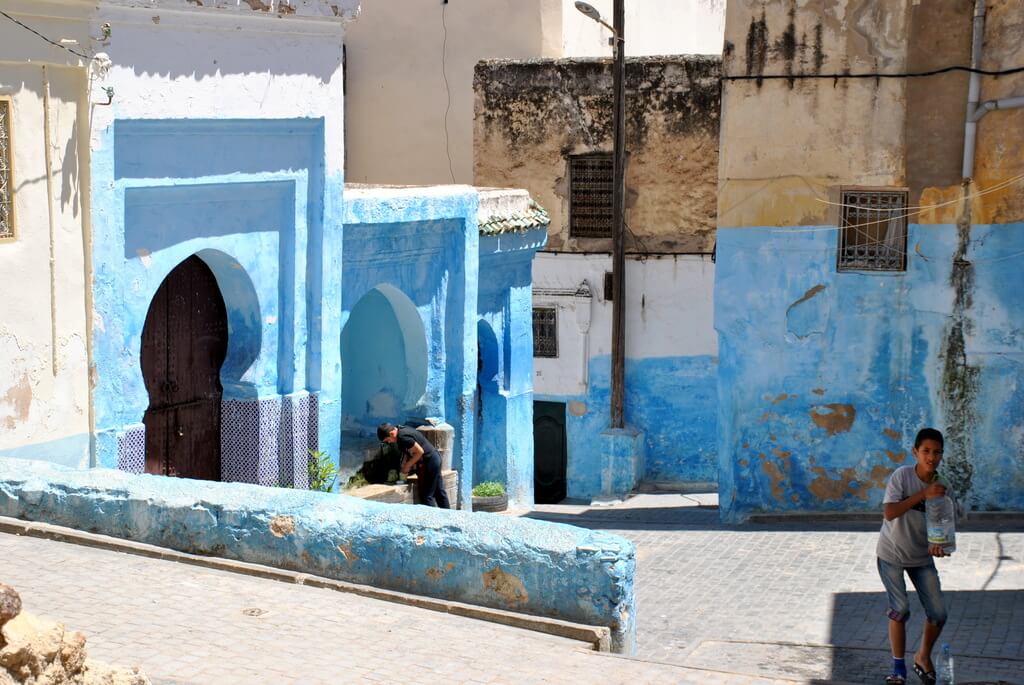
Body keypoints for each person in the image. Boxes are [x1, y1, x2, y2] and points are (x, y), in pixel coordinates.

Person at [877, 427, 951, 685]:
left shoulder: (943, 486)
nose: (932, 457)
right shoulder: (902, 476)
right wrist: (922, 494)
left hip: (921, 558)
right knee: (900, 609)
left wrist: (939, 545)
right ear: (915, 453)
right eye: (926, 451)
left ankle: (922, 657)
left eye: (937, 452)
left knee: (939, 613)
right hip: (892, 553)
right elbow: (889, 512)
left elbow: (943, 524)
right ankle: (898, 668)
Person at [377, 422, 450, 509]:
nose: (389, 442)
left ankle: (432, 520)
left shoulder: (402, 437)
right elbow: (408, 451)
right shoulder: (401, 429)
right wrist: (404, 464)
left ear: (391, 433)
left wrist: (408, 465)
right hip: (434, 458)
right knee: (439, 492)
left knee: (427, 496)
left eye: (387, 440)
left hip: (428, 462)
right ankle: (449, 517)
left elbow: (420, 452)